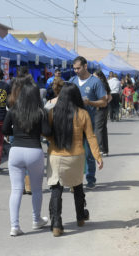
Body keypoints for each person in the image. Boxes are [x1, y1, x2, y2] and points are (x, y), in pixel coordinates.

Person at [47, 82, 103, 237]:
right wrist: (98, 156)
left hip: (56, 156)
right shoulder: (83, 114)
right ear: (77, 96)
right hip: (76, 156)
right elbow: (91, 137)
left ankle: (57, 224)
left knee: (56, 188)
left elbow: (46, 133)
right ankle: (80, 217)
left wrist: (51, 139)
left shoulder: (53, 113)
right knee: (78, 187)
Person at [2, 78, 51, 236]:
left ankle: (14, 226)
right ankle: (36, 220)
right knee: (36, 189)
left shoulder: (13, 110)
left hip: (16, 151)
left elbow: (4, 130)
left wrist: (15, 133)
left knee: (16, 190)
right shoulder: (40, 112)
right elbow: (48, 132)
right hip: (34, 151)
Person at [69, 56, 107, 189]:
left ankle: (91, 178)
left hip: (89, 123)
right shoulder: (72, 81)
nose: (76, 71)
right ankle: (74, 179)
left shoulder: (95, 82)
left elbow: (104, 101)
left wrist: (90, 102)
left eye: (78, 68)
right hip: (73, 123)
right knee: (73, 152)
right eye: (74, 68)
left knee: (89, 153)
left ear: (85, 66)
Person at [93, 69, 111, 156]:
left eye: (94, 76)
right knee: (103, 129)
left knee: (98, 129)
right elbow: (110, 97)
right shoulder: (105, 84)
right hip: (105, 108)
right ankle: (105, 150)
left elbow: (107, 96)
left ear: (99, 76)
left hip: (99, 108)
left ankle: (100, 149)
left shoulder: (99, 84)